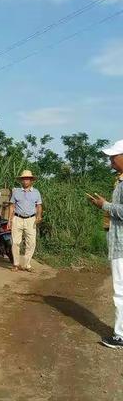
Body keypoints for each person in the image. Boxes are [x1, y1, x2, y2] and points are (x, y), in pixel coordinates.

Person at [88, 139, 123, 349]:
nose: (110, 161)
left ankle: (120, 335)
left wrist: (105, 206)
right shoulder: (119, 180)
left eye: (113, 157)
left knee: (120, 290)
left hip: (122, 245)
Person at [7, 170, 43, 273]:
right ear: (21, 181)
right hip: (17, 219)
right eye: (24, 179)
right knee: (15, 242)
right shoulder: (16, 192)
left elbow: (39, 205)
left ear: (31, 181)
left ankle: (27, 264)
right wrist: (10, 220)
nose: (25, 181)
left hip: (31, 220)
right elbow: (12, 206)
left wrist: (39, 216)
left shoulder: (36, 192)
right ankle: (16, 264)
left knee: (31, 243)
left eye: (28, 179)